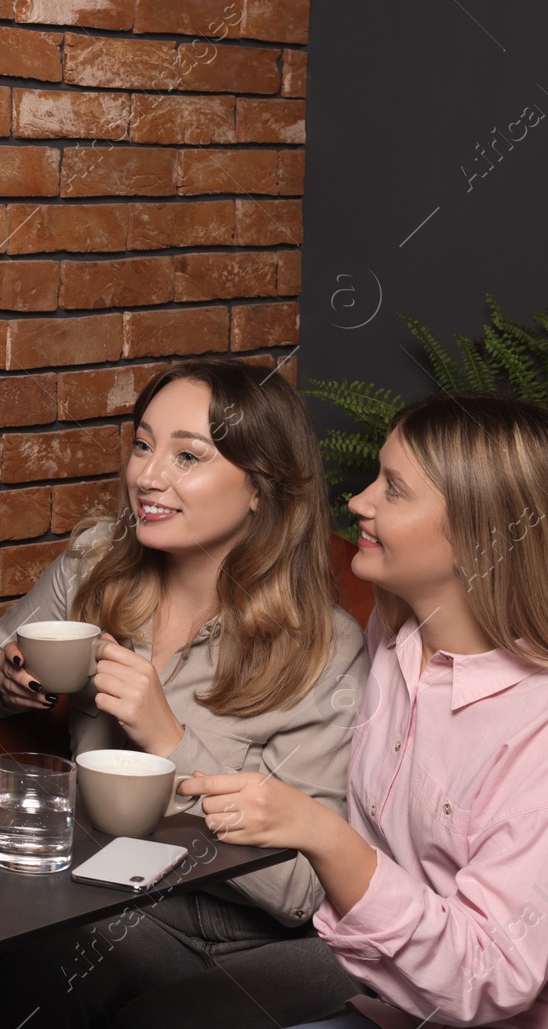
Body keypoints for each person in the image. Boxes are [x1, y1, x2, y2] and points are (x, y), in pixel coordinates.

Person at [0, 359, 371, 1027]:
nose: (148, 476)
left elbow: (299, 892)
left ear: (261, 488)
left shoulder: (325, 646)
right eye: (145, 444)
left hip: (267, 943)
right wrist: (5, 683)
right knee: (22, 976)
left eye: (188, 456)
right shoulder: (96, 566)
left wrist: (167, 739)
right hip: (127, 901)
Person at [186, 394, 548, 1029]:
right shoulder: (395, 626)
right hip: (362, 972)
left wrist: (325, 837)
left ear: (477, 533)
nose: (359, 502)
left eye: (396, 490)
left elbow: (488, 978)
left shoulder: (535, 729)